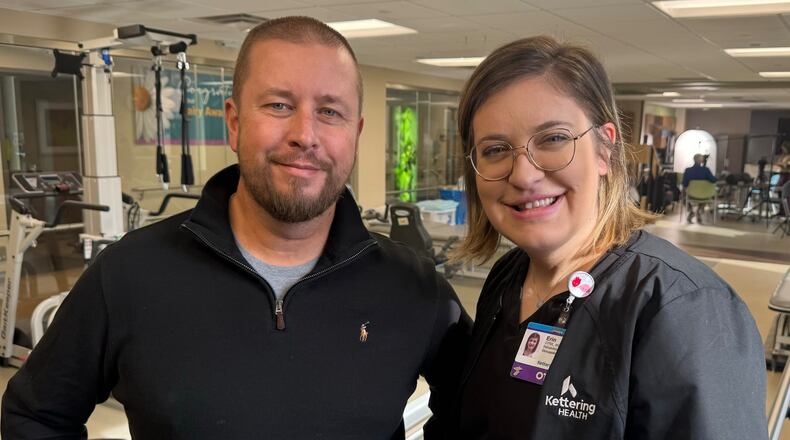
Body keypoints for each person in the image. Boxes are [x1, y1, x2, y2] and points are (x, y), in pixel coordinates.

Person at [2, 16, 471, 439]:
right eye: (279, 105)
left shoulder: (415, 287)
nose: (305, 134)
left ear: (356, 132)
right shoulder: (128, 274)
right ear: (233, 122)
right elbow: (35, 416)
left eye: (330, 111)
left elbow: (478, 413)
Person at [452, 36, 767, 439]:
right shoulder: (506, 279)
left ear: (604, 150)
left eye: (553, 139)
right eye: (496, 149)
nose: (523, 175)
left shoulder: (682, 308)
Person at [682, 153, 717, 223]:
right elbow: (713, 180)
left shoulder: (688, 170)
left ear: (693, 160)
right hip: (705, 195)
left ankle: (691, 210)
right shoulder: (706, 170)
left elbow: (684, 184)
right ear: (702, 161)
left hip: (691, 195)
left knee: (683, 194)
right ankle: (699, 211)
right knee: (707, 194)